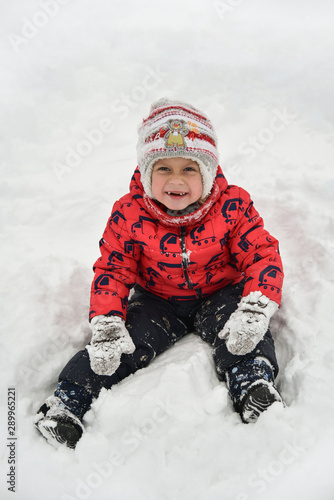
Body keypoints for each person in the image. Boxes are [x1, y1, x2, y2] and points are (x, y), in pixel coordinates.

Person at [35, 98, 284, 449]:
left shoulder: (233, 205)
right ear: (146, 171)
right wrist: (107, 321)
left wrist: (256, 306)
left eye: (189, 169)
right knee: (120, 346)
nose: (176, 180)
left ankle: (252, 382)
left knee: (239, 332)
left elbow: (262, 254)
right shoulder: (129, 213)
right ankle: (70, 400)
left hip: (221, 292)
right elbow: (113, 269)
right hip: (158, 301)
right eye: (163, 168)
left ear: (208, 171)